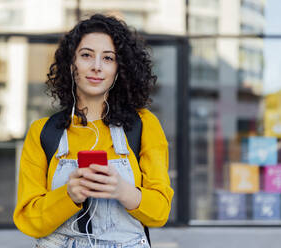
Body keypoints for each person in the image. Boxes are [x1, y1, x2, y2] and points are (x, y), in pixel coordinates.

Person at [13, 14, 174, 248]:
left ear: (119, 69)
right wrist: (69, 195)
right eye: (86, 55)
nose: (96, 67)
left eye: (108, 58)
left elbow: (160, 212)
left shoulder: (144, 125)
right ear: (71, 64)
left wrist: (122, 190)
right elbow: (28, 219)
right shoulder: (43, 132)